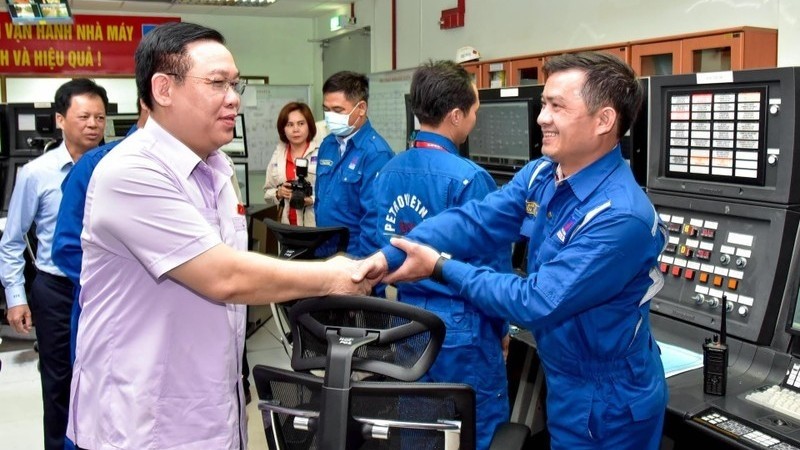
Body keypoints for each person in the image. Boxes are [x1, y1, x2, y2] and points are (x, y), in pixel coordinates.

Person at [67, 22, 374, 450]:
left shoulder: (216, 169)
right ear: (163, 88)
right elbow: (223, 276)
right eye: (217, 83)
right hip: (144, 422)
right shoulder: (131, 171)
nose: (233, 98)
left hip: (211, 406)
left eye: (235, 84)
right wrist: (333, 275)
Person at [356, 52, 669, 450]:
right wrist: (389, 256)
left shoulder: (621, 217)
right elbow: (475, 221)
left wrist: (440, 267)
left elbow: (535, 299)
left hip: (611, 401)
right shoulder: (543, 174)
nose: (542, 117)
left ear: (604, 120)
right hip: (568, 383)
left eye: (557, 106)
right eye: (544, 103)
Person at [370, 59, 511, 450]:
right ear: (455, 115)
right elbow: (491, 267)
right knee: (475, 429)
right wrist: (502, 330)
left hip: (406, 327)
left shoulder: (389, 171)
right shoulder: (471, 178)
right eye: (475, 111)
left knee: (418, 429)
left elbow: (377, 249)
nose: (475, 120)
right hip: (463, 332)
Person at [0, 78, 108, 450]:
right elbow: (12, 241)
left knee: (108, 376)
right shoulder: (37, 174)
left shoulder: (118, 168)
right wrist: (16, 296)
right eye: (84, 116)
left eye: (100, 117)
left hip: (108, 288)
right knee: (59, 379)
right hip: (57, 290)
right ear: (60, 119)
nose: (93, 124)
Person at [315, 70, 394, 257]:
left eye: (337, 110)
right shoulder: (328, 144)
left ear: (361, 108)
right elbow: (320, 202)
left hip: (355, 259)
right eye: (326, 109)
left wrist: (362, 268)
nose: (329, 116)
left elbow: (374, 220)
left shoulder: (376, 153)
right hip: (323, 254)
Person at [263, 101, 319, 226]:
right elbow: (267, 193)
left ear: (309, 126)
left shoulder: (321, 153)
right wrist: (278, 193)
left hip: (314, 226)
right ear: (283, 129)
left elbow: (332, 193)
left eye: (301, 123)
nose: (296, 129)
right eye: (290, 124)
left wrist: (312, 199)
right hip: (286, 227)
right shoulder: (278, 156)